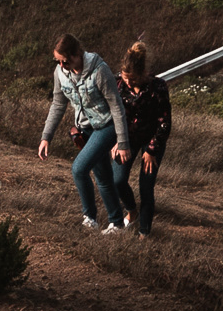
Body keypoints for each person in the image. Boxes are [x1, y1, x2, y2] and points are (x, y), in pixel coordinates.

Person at [37, 33, 132, 234]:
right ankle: (116, 222)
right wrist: (46, 136)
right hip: (84, 129)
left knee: (79, 169)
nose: (62, 66)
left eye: (65, 61)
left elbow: (117, 107)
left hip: (106, 127)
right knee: (103, 177)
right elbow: (58, 104)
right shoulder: (60, 72)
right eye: (58, 62)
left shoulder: (99, 70)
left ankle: (90, 217)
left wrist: (122, 142)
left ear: (77, 54)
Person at [111, 42, 172, 238]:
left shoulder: (158, 87)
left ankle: (144, 232)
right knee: (117, 180)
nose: (128, 83)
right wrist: (117, 142)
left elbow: (165, 122)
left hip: (152, 139)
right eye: (125, 78)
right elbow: (113, 116)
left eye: (133, 79)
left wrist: (152, 149)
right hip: (127, 138)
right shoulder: (118, 85)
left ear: (144, 73)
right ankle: (131, 210)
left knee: (146, 186)